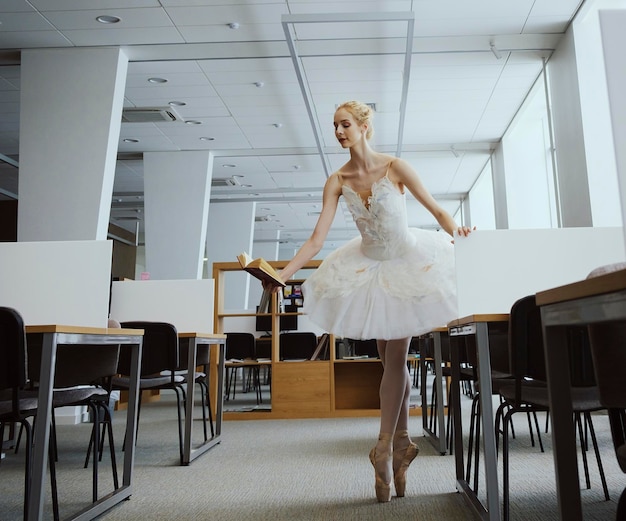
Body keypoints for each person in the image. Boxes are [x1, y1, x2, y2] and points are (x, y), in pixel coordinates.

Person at [263, 100, 473, 502]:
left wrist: (461, 233)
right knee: (392, 363)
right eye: (335, 126)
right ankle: (399, 447)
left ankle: (385, 448)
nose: (339, 132)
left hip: (409, 264)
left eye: (345, 125)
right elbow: (316, 240)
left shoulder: (394, 167)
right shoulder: (337, 179)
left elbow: (436, 209)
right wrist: (282, 275)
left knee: (395, 361)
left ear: (363, 126)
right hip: (369, 268)